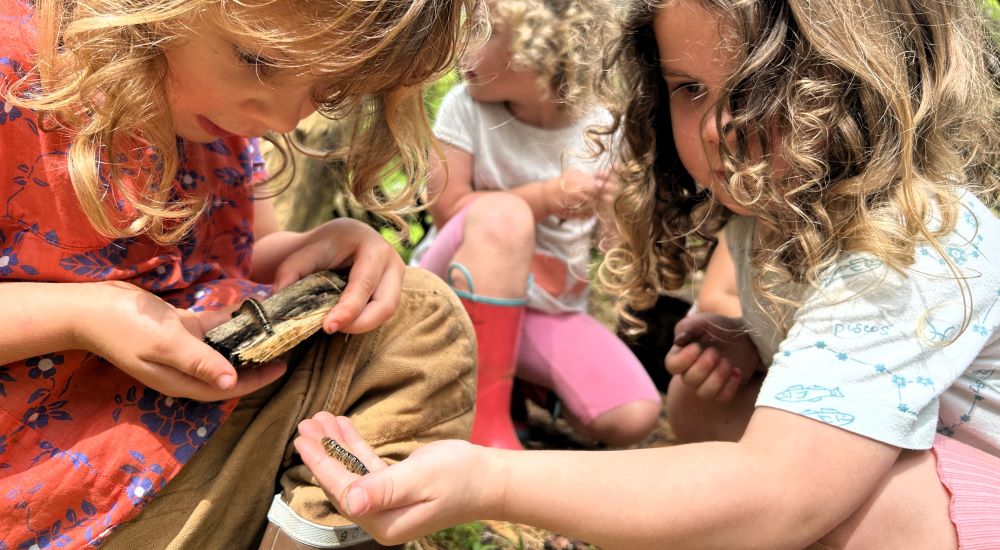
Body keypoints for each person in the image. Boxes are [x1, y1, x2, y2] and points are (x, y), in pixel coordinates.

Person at [295, 0, 1000, 547]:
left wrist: (491, 481)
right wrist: (753, 344)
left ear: (866, 77)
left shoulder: (916, 234)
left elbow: (786, 487)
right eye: (690, 87)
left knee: (859, 503)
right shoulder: (766, 221)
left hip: (977, 493)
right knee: (703, 402)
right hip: (475, 288)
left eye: (764, 85)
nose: (720, 125)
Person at [0, 0, 483, 547]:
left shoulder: (214, 110)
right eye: (257, 60)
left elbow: (234, 253)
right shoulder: (16, 74)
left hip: (183, 436)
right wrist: (80, 318)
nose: (281, 118)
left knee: (415, 317)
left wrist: (317, 247)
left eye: (323, 93)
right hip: (53, 493)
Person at [413, 0, 661, 450]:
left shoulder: (604, 130)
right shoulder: (465, 108)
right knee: (502, 214)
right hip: (450, 295)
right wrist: (546, 197)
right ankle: (484, 423)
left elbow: (614, 250)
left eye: (483, 32)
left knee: (632, 415)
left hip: (544, 309)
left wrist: (614, 209)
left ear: (544, 47)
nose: (461, 47)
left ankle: (513, 384)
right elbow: (450, 211)